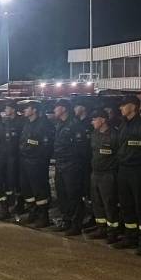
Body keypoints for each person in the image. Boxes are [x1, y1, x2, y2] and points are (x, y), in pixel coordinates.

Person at [115, 94, 141, 252]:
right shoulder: (123, 126)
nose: (120, 108)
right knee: (126, 205)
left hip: (139, 171)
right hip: (124, 169)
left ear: (133, 106)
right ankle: (130, 237)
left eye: (123, 105)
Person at [51, 99, 90, 235]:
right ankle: (66, 220)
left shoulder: (75, 125)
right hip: (61, 165)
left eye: (56, 107)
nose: (54, 110)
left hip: (72, 165)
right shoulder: (60, 124)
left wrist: (74, 163)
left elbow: (81, 148)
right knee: (62, 194)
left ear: (63, 109)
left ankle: (76, 224)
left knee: (74, 195)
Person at [17, 100, 54, 228]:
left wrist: (39, 159)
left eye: (27, 108)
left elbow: (46, 146)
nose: (24, 110)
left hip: (37, 162)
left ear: (34, 110)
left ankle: (43, 216)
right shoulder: (27, 123)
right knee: (27, 188)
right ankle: (33, 212)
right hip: (25, 161)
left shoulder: (44, 125)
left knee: (39, 189)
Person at [88, 108, 119, 243]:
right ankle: (101, 228)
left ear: (103, 120)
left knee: (109, 203)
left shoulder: (114, 134)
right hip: (96, 173)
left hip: (108, 174)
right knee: (97, 202)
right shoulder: (94, 134)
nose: (92, 122)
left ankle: (113, 231)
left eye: (95, 119)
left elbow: (119, 155)